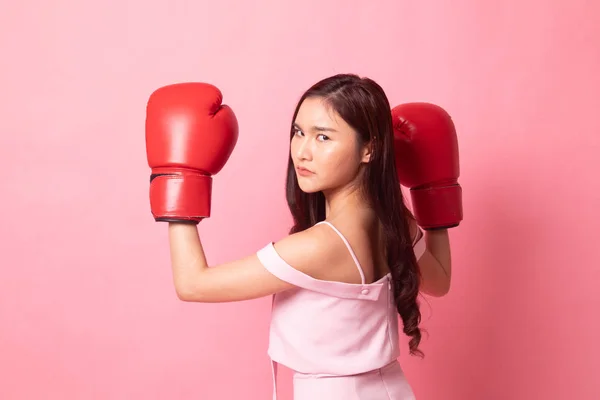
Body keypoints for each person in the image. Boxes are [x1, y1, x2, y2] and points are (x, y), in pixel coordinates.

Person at [144, 74, 462, 399]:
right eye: (299, 132)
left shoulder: (319, 246)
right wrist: (435, 194)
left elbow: (193, 285)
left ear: (370, 148)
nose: (302, 152)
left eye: (323, 137)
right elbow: (440, 281)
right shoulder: (395, 222)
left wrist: (179, 178)